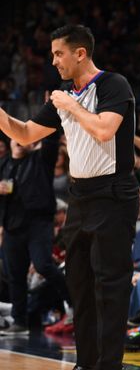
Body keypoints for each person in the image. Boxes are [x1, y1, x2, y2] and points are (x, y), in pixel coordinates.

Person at [0, 24, 140, 370]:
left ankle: (109, 365)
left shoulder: (113, 84)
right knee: (79, 283)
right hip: (81, 197)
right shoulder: (64, 93)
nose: (53, 61)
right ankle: (86, 363)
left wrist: (69, 105)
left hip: (113, 194)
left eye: (58, 53)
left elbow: (105, 129)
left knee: (110, 285)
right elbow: (27, 133)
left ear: (80, 53)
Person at [0, 131, 69, 336]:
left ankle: (74, 302)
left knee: (43, 264)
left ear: (32, 144)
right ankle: (20, 321)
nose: (20, 141)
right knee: (16, 275)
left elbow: (51, 138)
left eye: (25, 139)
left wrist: (53, 107)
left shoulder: (41, 159)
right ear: (10, 143)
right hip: (12, 226)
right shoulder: (3, 164)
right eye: (16, 138)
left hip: (38, 223)